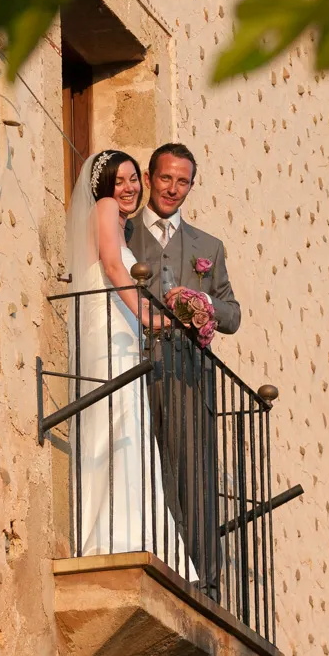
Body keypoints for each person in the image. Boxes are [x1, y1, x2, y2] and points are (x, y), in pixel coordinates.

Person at [66, 148, 196, 578]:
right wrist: (148, 316)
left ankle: (135, 533)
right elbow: (110, 266)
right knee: (117, 422)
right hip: (108, 333)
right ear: (103, 186)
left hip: (120, 333)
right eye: (120, 181)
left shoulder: (120, 228)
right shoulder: (103, 210)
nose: (128, 189)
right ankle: (109, 538)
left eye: (132, 181)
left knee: (130, 425)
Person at [127, 143, 241, 597]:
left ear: (192, 185)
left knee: (193, 471)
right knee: (140, 461)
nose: (173, 189)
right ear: (150, 177)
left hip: (189, 373)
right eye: (165, 178)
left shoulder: (208, 247)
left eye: (183, 181)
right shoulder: (124, 229)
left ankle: (205, 580)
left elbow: (232, 315)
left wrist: (206, 302)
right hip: (130, 364)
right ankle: (152, 553)